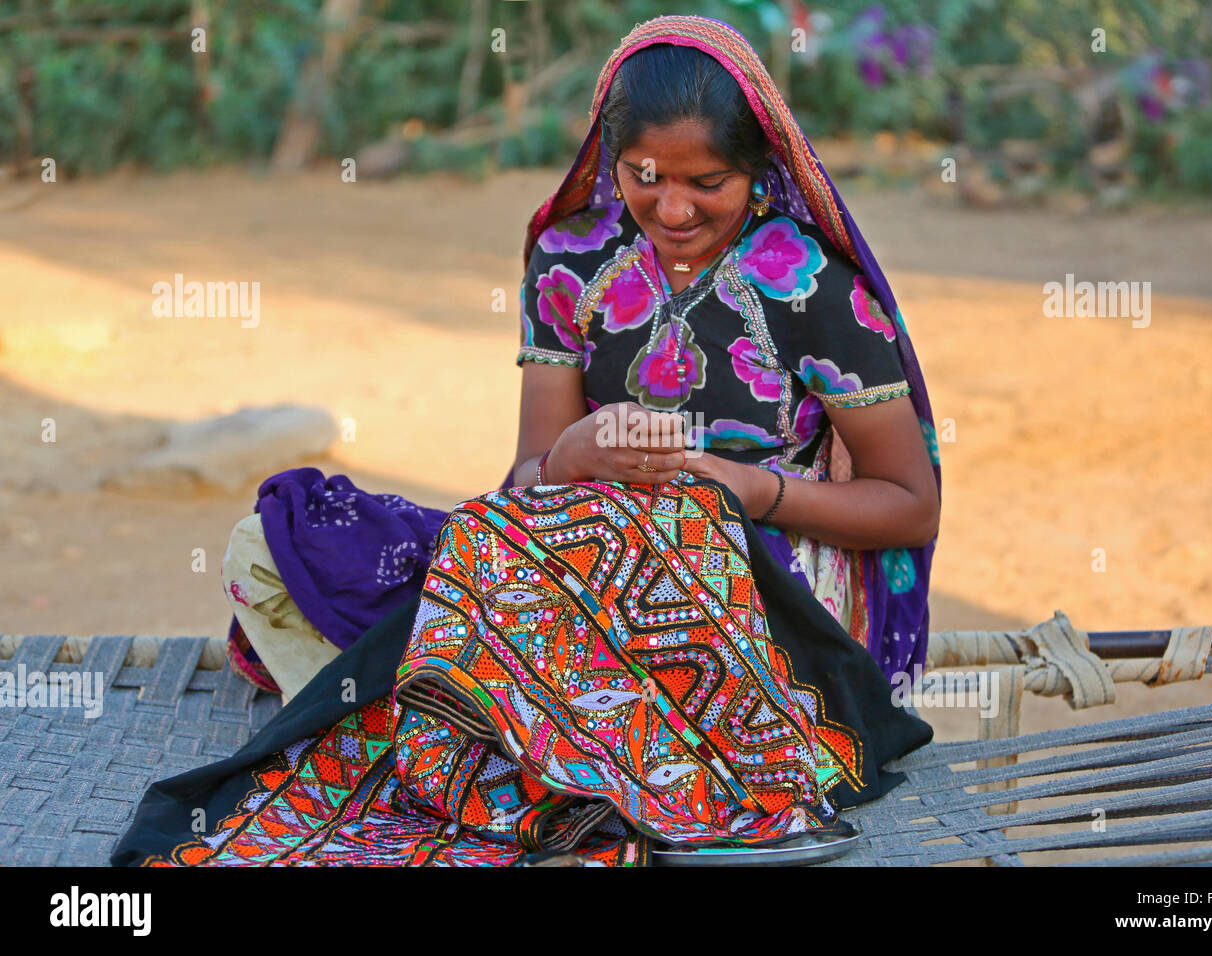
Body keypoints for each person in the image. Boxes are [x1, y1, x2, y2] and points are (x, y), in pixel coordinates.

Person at [113, 14, 939, 867]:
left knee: (625, 539)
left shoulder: (813, 287)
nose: (674, 206)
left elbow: (908, 506)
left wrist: (739, 488)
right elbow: (526, 482)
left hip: (761, 580)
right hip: (575, 546)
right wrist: (575, 457)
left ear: (760, 165)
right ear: (610, 159)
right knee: (280, 546)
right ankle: (553, 745)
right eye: (645, 177)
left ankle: (616, 769)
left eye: (712, 181)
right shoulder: (569, 261)